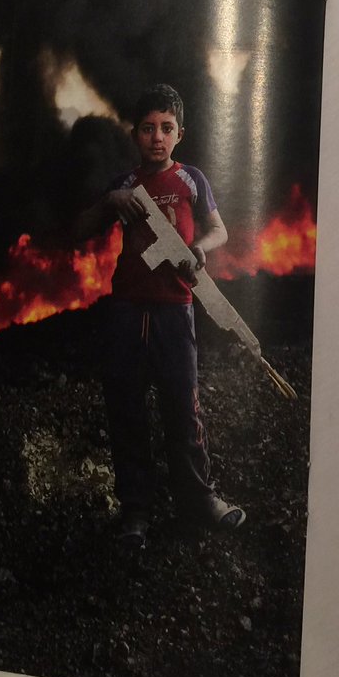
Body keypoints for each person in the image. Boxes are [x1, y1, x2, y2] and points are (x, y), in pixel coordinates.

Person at [77, 83, 243, 547]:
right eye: (148, 128)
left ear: (179, 135)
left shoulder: (192, 180)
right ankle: (136, 511)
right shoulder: (124, 185)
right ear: (135, 134)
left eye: (166, 128)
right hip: (127, 310)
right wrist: (110, 202)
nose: (157, 137)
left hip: (176, 308)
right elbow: (80, 228)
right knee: (126, 410)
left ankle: (200, 500)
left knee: (183, 408)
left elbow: (219, 230)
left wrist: (199, 249)